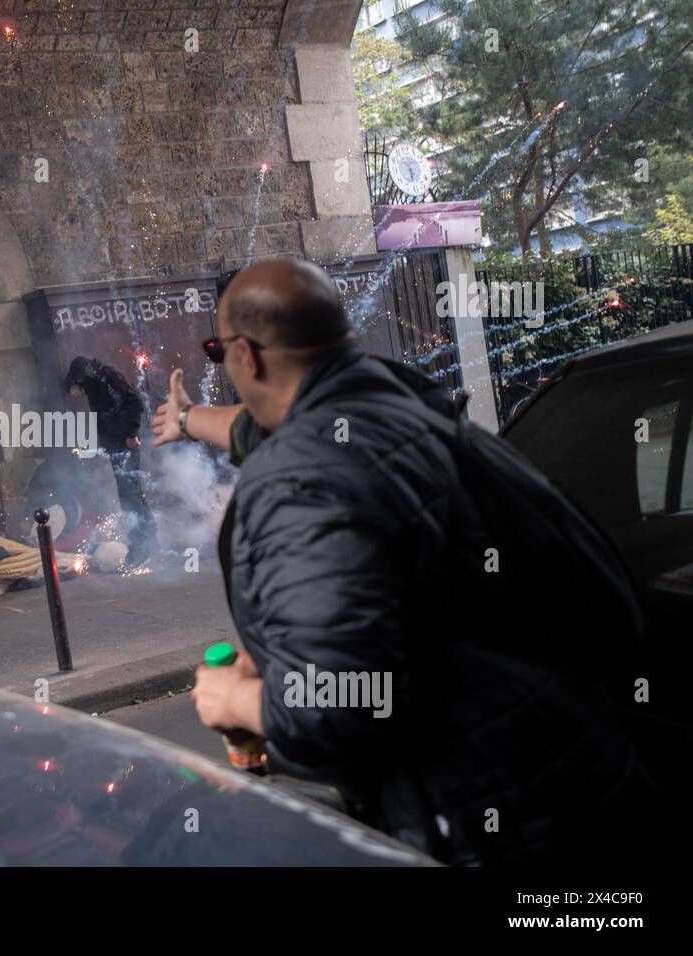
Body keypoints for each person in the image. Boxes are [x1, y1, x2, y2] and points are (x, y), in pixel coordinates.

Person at [154, 257, 656, 866]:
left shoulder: (307, 478)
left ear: (246, 358)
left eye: (218, 351)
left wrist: (231, 699)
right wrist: (184, 420)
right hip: (579, 774)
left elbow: (339, 702)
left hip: (496, 823)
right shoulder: (393, 406)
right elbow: (255, 425)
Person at [61, 356, 159, 567]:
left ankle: (141, 547)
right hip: (115, 444)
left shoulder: (108, 379)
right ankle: (150, 542)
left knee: (130, 495)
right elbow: (68, 385)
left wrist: (131, 433)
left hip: (125, 443)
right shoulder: (91, 381)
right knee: (131, 493)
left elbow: (133, 402)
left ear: (82, 380)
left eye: (76, 390)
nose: (77, 395)